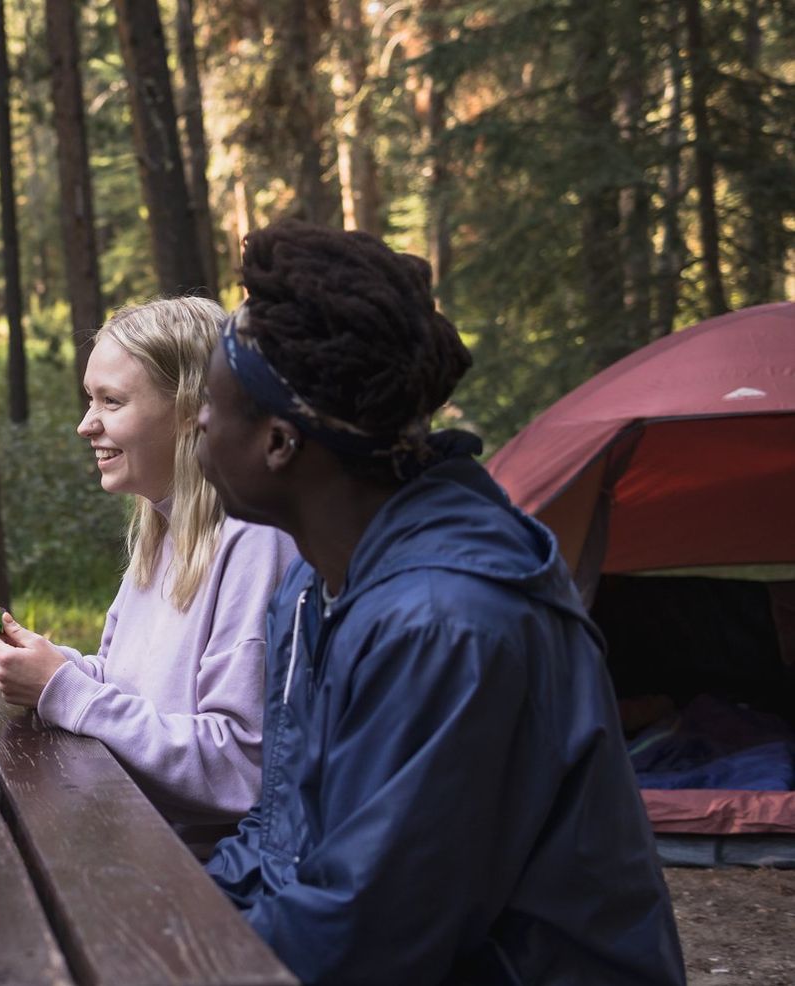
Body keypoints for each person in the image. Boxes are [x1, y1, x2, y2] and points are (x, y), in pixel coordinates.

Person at [194, 222, 684, 983]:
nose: (195, 421)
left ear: (279, 444)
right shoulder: (311, 590)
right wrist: (171, 915)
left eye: (211, 404)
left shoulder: (447, 625)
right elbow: (279, 834)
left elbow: (365, 938)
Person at [0, 298, 296, 854]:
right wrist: (59, 668)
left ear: (189, 410)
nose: (86, 425)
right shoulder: (163, 524)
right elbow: (129, 685)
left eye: (112, 401)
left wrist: (65, 690)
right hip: (137, 836)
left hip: (206, 875)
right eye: (89, 399)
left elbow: (238, 768)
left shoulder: (254, 542)